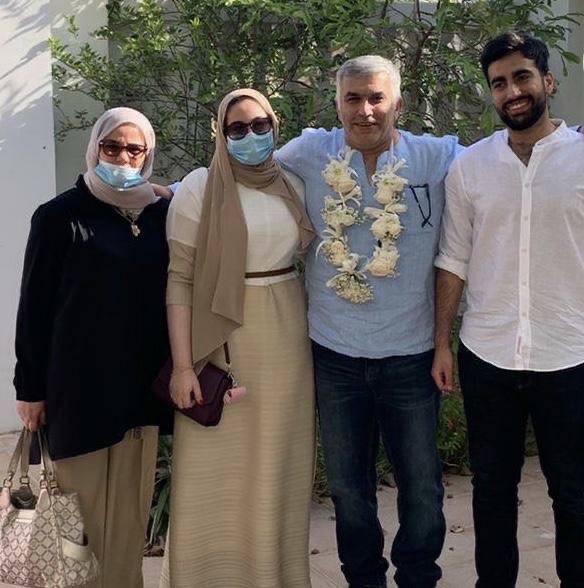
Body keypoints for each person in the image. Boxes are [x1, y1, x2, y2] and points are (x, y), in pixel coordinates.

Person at [276, 55, 461, 588]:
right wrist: (164, 193)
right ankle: (363, 579)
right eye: (353, 98)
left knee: (421, 486)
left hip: (412, 354)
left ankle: (418, 577)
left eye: (376, 98)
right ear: (337, 105)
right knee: (347, 488)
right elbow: (243, 170)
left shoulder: (436, 156)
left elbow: (502, 162)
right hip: (335, 356)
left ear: (398, 104)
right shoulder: (310, 153)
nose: (365, 110)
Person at [433, 32, 584, 587]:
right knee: (492, 491)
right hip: (488, 354)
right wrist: (442, 343)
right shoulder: (471, 166)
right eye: (499, 83)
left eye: (521, 77)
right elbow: (453, 259)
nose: (511, 91)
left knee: (574, 494)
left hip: (571, 355)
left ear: (548, 81)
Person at [161, 88, 316, 588]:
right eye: (237, 128)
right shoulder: (199, 188)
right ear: (221, 134)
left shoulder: (293, 183)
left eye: (259, 125)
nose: (250, 136)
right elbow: (180, 279)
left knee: (278, 465)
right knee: (214, 469)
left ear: (274, 124)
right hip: (221, 339)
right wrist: (183, 366)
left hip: (287, 334)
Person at [14, 107, 170, 588]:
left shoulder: (159, 213)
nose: (123, 157)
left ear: (147, 155)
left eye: (134, 149)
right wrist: (29, 389)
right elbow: (34, 306)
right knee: (77, 518)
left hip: (139, 391)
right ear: (95, 148)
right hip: (78, 391)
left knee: (128, 515)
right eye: (112, 147)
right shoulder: (59, 215)